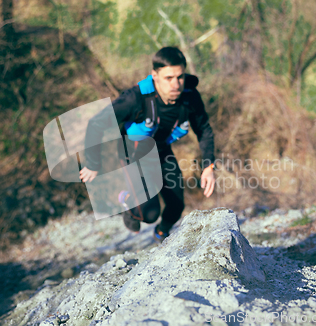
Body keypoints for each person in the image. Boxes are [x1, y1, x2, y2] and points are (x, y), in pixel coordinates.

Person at [79, 47, 216, 242]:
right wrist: (93, 163)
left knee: (176, 206)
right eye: (169, 78)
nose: (176, 84)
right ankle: (127, 201)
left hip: (161, 150)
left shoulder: (190, 97)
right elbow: (96, 123)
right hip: (133, 151)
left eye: (180, 77)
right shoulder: (136, 98)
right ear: (155, 75)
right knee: (150, 214)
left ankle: (162, 233)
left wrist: (208, 167)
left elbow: (204, 130)